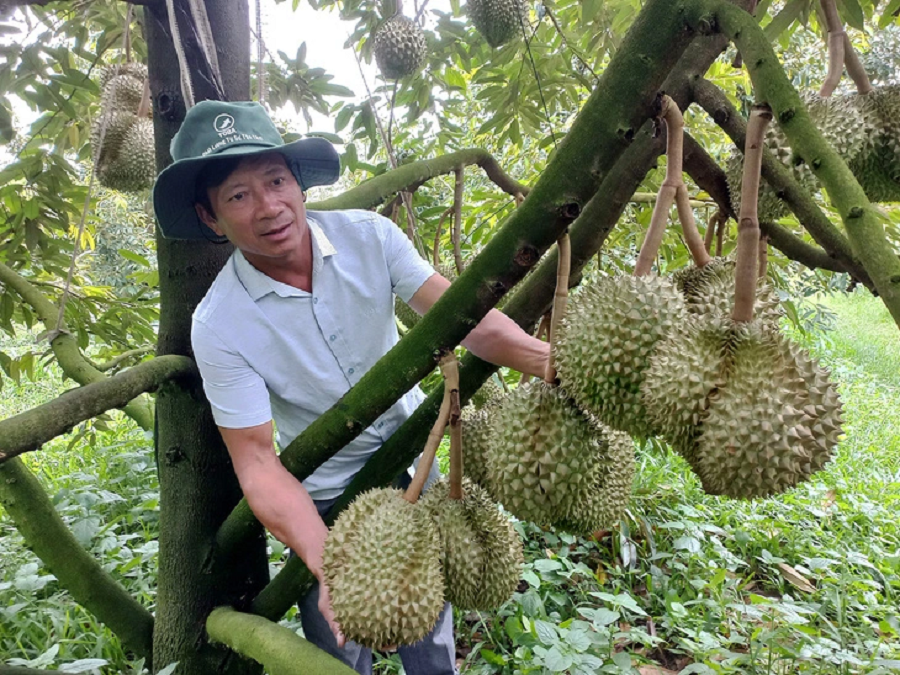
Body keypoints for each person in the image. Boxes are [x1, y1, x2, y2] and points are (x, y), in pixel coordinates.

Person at [153, 100, 549, 675]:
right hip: (324, 499)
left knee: (432, 643)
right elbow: (258, 462)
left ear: (298, 184)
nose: (269, 206)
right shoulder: (219, 324)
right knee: (338, 649)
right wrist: (325, 558)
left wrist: (549, 362)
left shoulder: (370, 237)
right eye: (239, 195)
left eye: (276, 180)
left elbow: (467, 319)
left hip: (418, 461)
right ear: (210, 218)